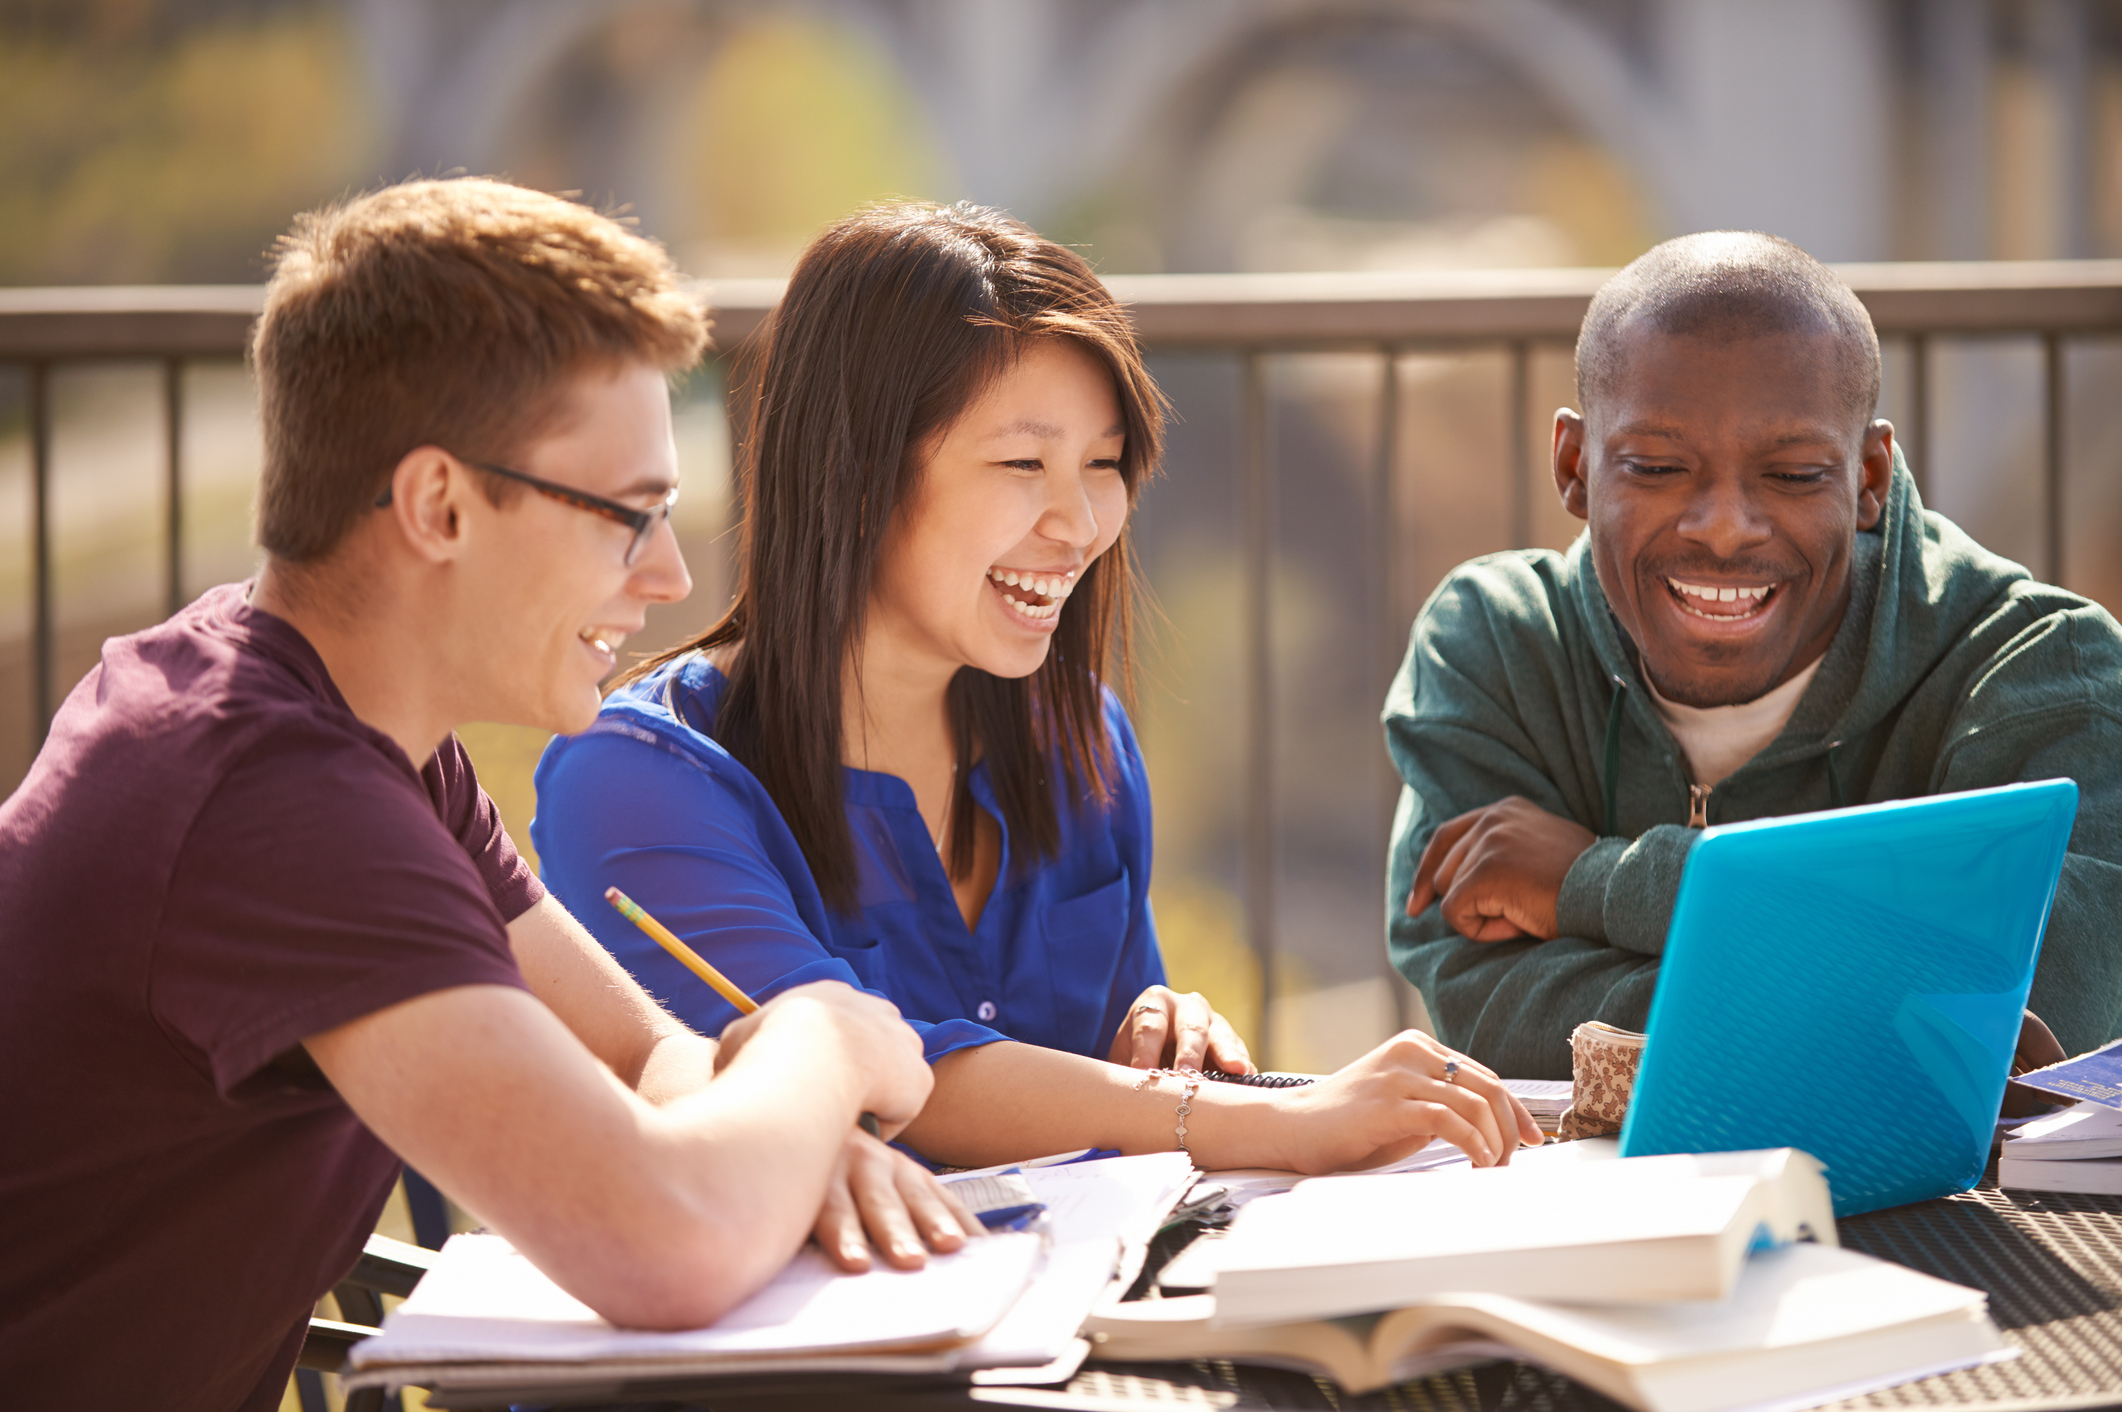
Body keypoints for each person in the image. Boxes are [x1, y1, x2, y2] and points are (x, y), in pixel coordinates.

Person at [0, 179, 974, 1412]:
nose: (671, 576)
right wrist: (826, 1035)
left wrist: (774, 1142)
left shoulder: (336, 718)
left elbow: (645, 1056)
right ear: (440, 505)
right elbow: (664, 1242)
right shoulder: (275, 799)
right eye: (631, 516)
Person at [533, 201, 1540, 1173]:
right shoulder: (635, 780)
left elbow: (1108, 1078)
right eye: (1023, 461)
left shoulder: (1080, 742)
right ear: (856, 471)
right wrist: (1272, 1119)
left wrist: (1165, 1037)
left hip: (1085, 1312)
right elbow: (866, 1079)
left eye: (1102, 463)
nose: (1079, 522)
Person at [1385, 231, 2122, 1080]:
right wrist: (1879, 991)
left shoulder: (2040, 666)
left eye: (1795, 475)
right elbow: (1493, 1014)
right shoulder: (1499, 648)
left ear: (1869, 477)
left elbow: (2052, 1012)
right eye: (1658, 466)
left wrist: (1597, 881)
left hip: (1948, 1212)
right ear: (1574, 465)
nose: (1726, 525)